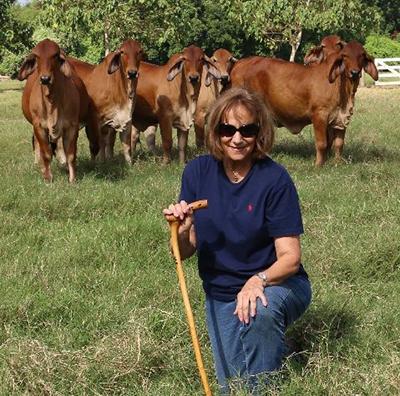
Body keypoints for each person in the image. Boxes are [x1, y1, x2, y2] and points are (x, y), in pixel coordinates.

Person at [163, 87, 311, 394]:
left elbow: (290, 258)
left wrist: (258, 280)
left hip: (277, 283)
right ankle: (279, 348)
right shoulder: (197, 172)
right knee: (231, 385)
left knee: (261, 322)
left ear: (260, 133)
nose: (237, 138)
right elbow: (184, 252)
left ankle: (269, 368)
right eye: (227, 129)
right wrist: (182, 228)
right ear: (215, 131)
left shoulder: (275, 179)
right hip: (221, 292)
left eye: (248, 129)